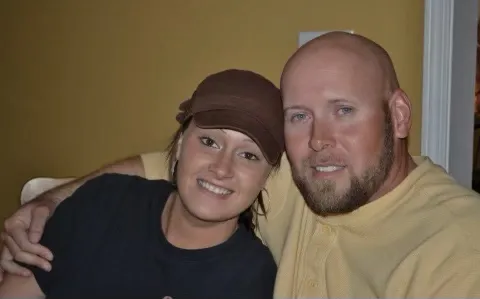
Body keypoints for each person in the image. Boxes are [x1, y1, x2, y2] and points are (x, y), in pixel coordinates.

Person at [3, 32, 480, 297]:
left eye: (344, 110)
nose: (318, 141)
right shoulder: (294, 178)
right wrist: (44, 205)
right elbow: (160, 168)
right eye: (299, 116)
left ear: (398, 115)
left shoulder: (459, 248)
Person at [0, 69, 284, 298]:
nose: (222, 168)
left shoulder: (253, 280)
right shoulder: (104, 202)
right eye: (209, 142)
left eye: (248, 155)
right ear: (182, 144)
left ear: (266, 176)